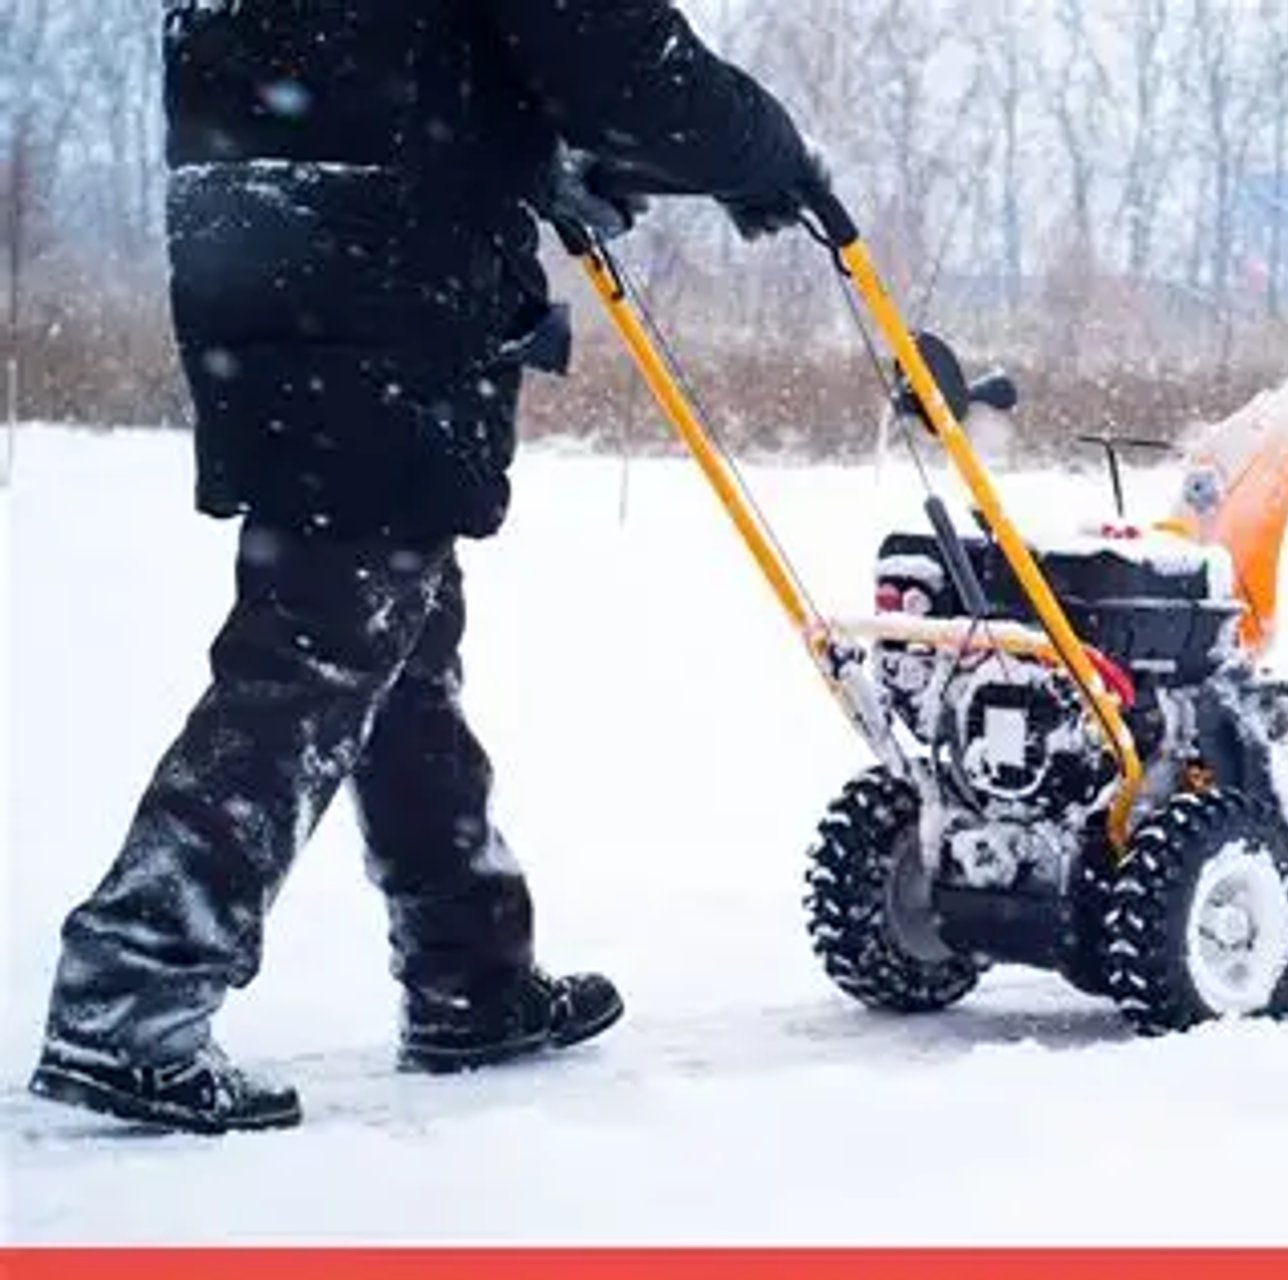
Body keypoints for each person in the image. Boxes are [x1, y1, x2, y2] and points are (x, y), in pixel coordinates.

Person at [27, 0, 829, 1136]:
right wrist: (767, 150)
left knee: (395, 628)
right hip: (381, 260)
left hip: (256, 235)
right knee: (324, 634)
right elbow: (622, 61)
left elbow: (348, 52)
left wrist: (523, 157)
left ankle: (471, 967)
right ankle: (136, 979)